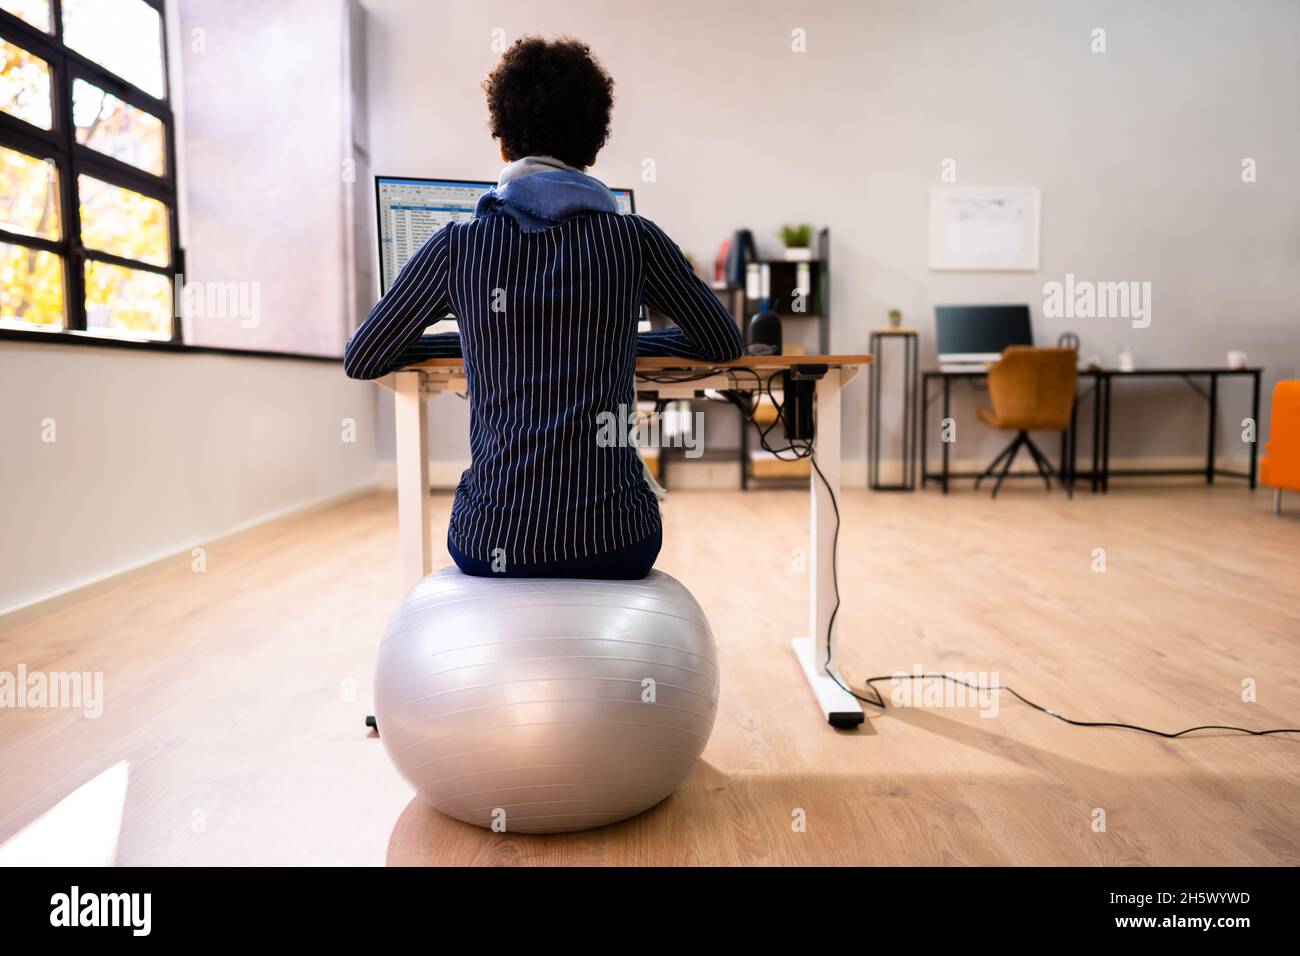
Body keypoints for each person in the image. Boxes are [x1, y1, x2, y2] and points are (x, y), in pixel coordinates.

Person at [344, 35, 743, 579]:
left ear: (503, 145)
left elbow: (363, 356)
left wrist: (484, 341)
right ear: (594, 151)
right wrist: (618, 343)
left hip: (490, 539)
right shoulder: (635, 241)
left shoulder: (458, 247)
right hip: (618, 540)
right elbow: (721, 342)